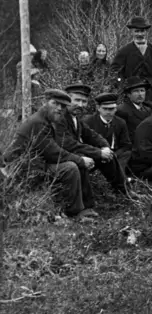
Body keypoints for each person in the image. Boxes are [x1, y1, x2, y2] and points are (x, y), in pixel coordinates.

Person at [7, 90, 99, 220]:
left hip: (34, 165)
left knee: (75, 162)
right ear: (45, 102)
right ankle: (74, 212)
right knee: (70, 167)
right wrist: (79, 160)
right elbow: (52, 152)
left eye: (62, 106)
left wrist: (79, 158)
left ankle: (83, 207)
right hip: (24, 170)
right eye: (55, 103)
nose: (59, 108)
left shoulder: (45, 120)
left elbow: (53, 149)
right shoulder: (38, 122)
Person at [61, 83, 128, 195]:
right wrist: (98, 153)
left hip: (73, 154)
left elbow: (92, 135)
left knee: (109, 157)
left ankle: (122, 192)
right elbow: (69, 144)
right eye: (77, 100)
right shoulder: (60, 116)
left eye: (84, 101)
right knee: (81, 164)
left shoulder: (75, 117)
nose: (80, 105)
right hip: (61, 157)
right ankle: (86, 206)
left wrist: (105, 147)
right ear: (67, 100)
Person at [110, 15, 152, 97]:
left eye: (142, 31)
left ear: (146, 32)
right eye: (137, 31)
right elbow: (114, 71)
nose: (140, 34)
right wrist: (123, 86)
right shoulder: (124, 51)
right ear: (131, 32)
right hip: (131, 94)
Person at [86, 91, 134, 171]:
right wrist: (99, 153)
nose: (108, 112)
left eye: (111, 109)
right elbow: (84, 144)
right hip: (96, 154)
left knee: (127, 153)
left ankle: (119, 176)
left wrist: (114, 154)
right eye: (105, 109)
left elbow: (126, 145)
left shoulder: (120, 122)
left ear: (116, 109)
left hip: (114, 156)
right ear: (98, 108)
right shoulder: (88, 121)